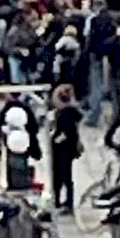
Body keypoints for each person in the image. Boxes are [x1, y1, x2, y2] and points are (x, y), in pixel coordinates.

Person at [49, 84, 83, 212]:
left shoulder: (65, 115)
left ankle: (61, 201)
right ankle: (65, 201)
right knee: (66, 177)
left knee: (60, 176)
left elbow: (65, 132)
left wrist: (55, 139)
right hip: (68, 149)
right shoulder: (69, 113)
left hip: (62, 150)